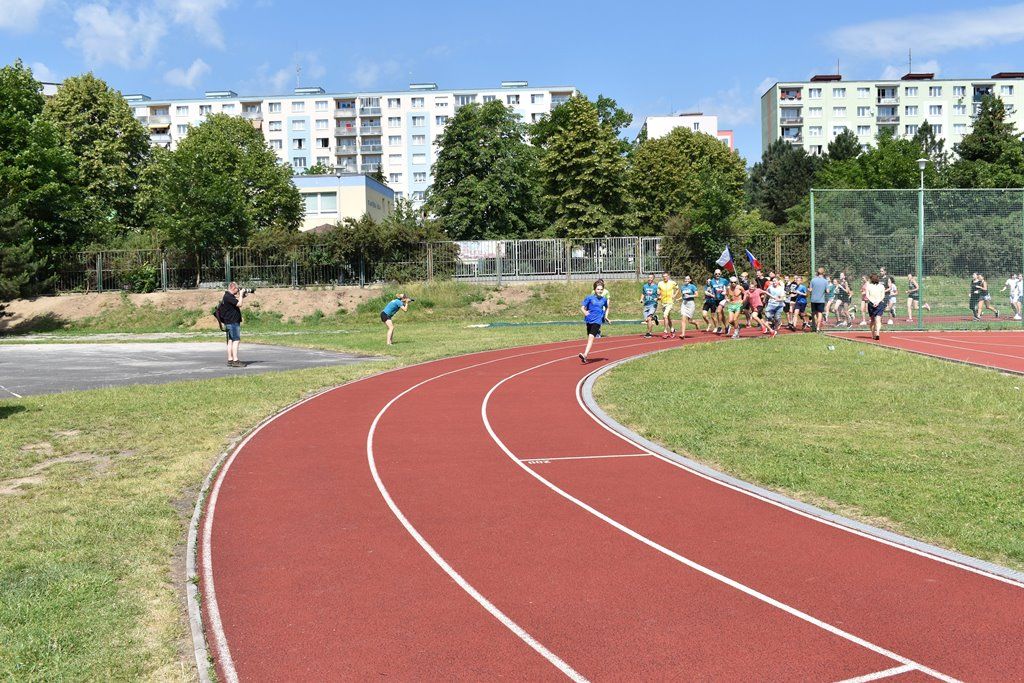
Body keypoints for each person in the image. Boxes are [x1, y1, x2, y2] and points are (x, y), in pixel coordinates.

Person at [579, 279, 610, 364]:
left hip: (597, 321)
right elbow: (582, 307)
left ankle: (585, 354)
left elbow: (607, 307)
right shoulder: (589, 297)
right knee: (589, 336)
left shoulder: (604, 299)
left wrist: (606, 316)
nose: (599, 291)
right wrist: (585, 312)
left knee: (591, 338)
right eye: (598, 289)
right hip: (589, 320)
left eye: (601, 289)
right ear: (594, 290)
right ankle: (585, 357)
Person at [217, 281, 245, 367]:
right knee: (236, 340)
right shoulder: (228, 296)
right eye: (237, 289)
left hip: (229, 322)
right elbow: (239, 304)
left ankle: (230, 359)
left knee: (231, 340)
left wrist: (242, 296)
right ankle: (235, 361)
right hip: (233, 322)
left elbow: (235, 303)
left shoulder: (228, 296)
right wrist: (240, 295)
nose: (237, 291)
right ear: (233, 288)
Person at [656, 271, 679, 338]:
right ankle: (672, 329)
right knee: (668, 317)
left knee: (665, 316)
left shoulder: (672, 283)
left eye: (666, 276)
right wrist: (658, 294)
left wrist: (674, 295)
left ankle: (665, 331)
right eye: (663, 276)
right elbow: (658, 291)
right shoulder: (660, 283)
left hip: (670, 302)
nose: (665, 277)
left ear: (668, 276)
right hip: (663, 303)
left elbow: (677, 289)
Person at [866, 274, 887, 340]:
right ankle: (877, 333)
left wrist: (874, 302)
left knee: (873, 320)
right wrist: (877, 302)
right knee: (877, 319)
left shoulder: (869, 286)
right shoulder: (881, 286)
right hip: (878, 303)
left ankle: (875, 334)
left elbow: (867, 296)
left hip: (874, 304)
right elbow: (883, 296)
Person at [808, 267, 829, 332]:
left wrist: (809, 289)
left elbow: (810, 290)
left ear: (817, 273)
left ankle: (814, 326)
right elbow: (827, 291)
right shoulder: (825, 281)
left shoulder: (813, 280)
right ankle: (818, 328)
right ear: (824, 273)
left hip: (813, 299)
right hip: (821, 300)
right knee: (820, 313)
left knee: (814, 313)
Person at [709, 269, 729, 334]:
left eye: (719, 274)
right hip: (716, 299)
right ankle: (727, 326)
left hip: (723, 299)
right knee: (721, 314)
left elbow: (729, 288)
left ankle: (719, 327)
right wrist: (712, 295)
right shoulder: (712, 281)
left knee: (718, 311)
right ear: (714, 274)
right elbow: (712, 289)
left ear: (721, 274)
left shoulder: (724, 280)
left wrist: (726, 293)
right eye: (716, 274)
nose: (717, 275)